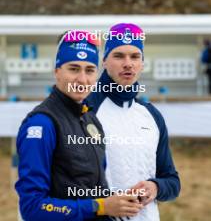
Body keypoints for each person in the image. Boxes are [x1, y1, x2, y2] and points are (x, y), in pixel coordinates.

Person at [15, 30, 143, 221]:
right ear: (57, 71)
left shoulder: (91, 119)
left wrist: (120, 202)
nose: (82, 80)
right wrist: (99, 206)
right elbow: (32, 207)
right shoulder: (41, 124)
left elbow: (95, 190)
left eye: (90, 70)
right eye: (74, 69)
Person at [87, 23, 181, 221]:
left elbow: (172, 181)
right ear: (104, 61)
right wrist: (103, 206)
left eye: (135, 56)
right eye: (119, 56)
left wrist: (155, 187)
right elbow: (64, 185)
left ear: (142, 64)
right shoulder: (86, 111)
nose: (128, 63)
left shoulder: (151, 115)